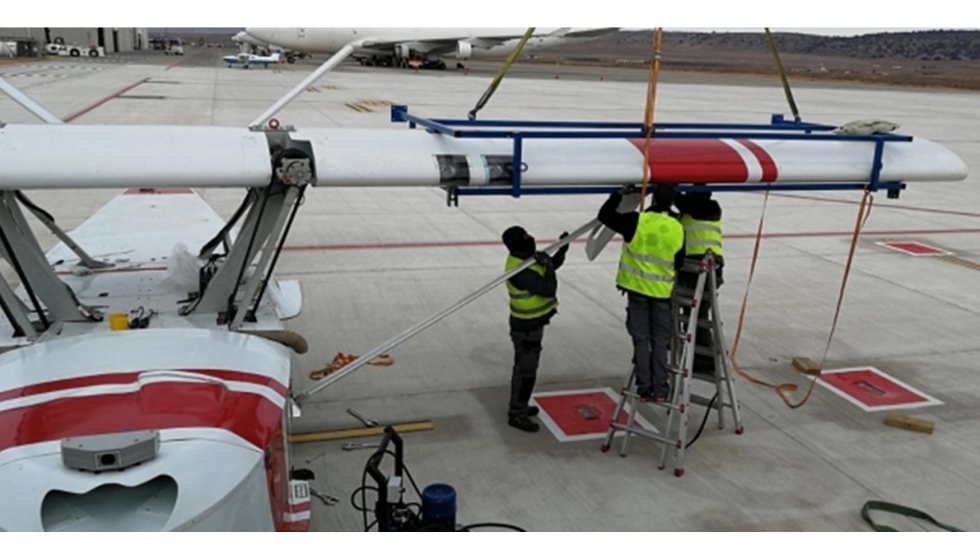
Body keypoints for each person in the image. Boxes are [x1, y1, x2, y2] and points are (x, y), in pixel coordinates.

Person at [598, 184, 685, 402]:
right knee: (660, 341)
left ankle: (644, 388)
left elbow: (605, 216)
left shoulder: (637, 221)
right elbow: (679, 262)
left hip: (637, 291)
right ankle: (661, 389)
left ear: (653, 200)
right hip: (662, 294)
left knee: (641, 340)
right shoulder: (677, 227)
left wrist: (618, 195)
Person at [502, 226, 569, 432]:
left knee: (525, 370)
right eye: (525, 237)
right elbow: (548, 289)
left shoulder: (526, 258)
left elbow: (546, 271)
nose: (531, 238)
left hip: (532, 325)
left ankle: (520, 406)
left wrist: (561, 253)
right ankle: (517, 414)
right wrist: (547, 264)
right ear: (517, 245)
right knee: (526, 372)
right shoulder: (519, 270)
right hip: (526, 327)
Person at [674, 190, 724, 372]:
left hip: (698, 269)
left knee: (697, 315)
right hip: (708, 268)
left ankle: (704, 360)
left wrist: (666, 187)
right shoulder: (709, 208)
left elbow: (679, 200)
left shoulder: (702, 207)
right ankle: (698, 356)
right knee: (696, 314)